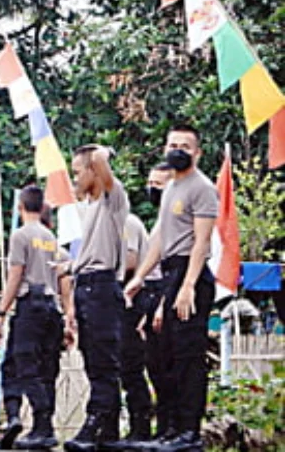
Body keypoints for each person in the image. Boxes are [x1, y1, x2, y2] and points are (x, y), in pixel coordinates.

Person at [124, 125, 218, 452]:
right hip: (169, 272)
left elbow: (201, 241)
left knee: (189, 357)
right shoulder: (171, 188)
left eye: (185, 146)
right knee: (168, 358)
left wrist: (188, 285)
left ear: (198, 152)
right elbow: (160, 240)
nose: (178, 149)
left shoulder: (202, 187)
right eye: (173, 144)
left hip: (191, 274)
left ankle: (189, 433)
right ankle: (171, 430)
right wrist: (139, 277)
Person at [0, 186, 74, 450]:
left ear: (20, 206)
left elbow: (16, 274)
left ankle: (34, 417)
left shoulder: (21, 235)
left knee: (22, 365)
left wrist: (2, 311)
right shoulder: (50, 237)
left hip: (30, 306)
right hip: (51, 309)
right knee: (46, 368)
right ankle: (42, 427)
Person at [64, 145, 129, 452]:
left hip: (103, 288)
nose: (74, 178)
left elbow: (103, 163)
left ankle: (96, 423)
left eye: (78, 172)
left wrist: (100, 152)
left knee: (104, 362)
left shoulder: (112, 201)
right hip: (86, 285)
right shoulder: (89, 209)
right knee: (93, 360)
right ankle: (109, 431)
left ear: (93, 171)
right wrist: (69, 268)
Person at [131, 163, 173, 444]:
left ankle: (171, 428)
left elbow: (173, 267)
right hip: (152, 292)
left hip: (167, 291)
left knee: (169, 368)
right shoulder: (160, 218)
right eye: (151, 183)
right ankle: (161, 429)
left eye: (159, 184)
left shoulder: (177, 218)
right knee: (154, 367)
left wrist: (161, 304)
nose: (152, 189)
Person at [114, 208, 154, 448]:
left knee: (132, 366)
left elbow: (129, 261)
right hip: (123, 298)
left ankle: (141, 427)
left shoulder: (127, 222)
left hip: (134, 297)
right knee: (123, 367)